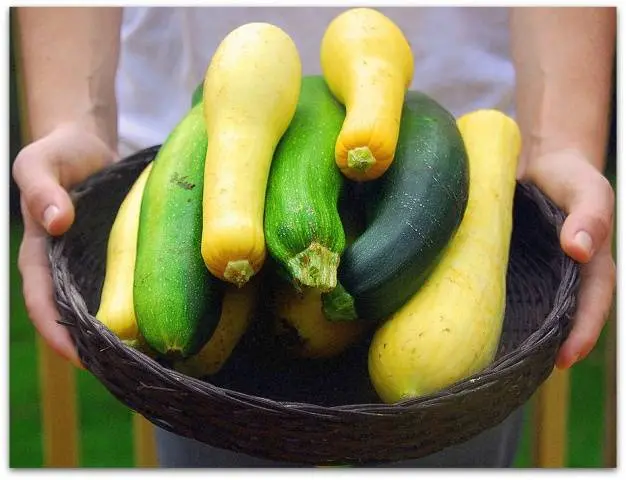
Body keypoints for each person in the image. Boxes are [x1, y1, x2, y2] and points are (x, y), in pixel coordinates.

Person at [12, 6, 616, 468]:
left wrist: (557, 141)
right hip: (196, 165)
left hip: (463, 149)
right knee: (194, 369)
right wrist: (76, 120)